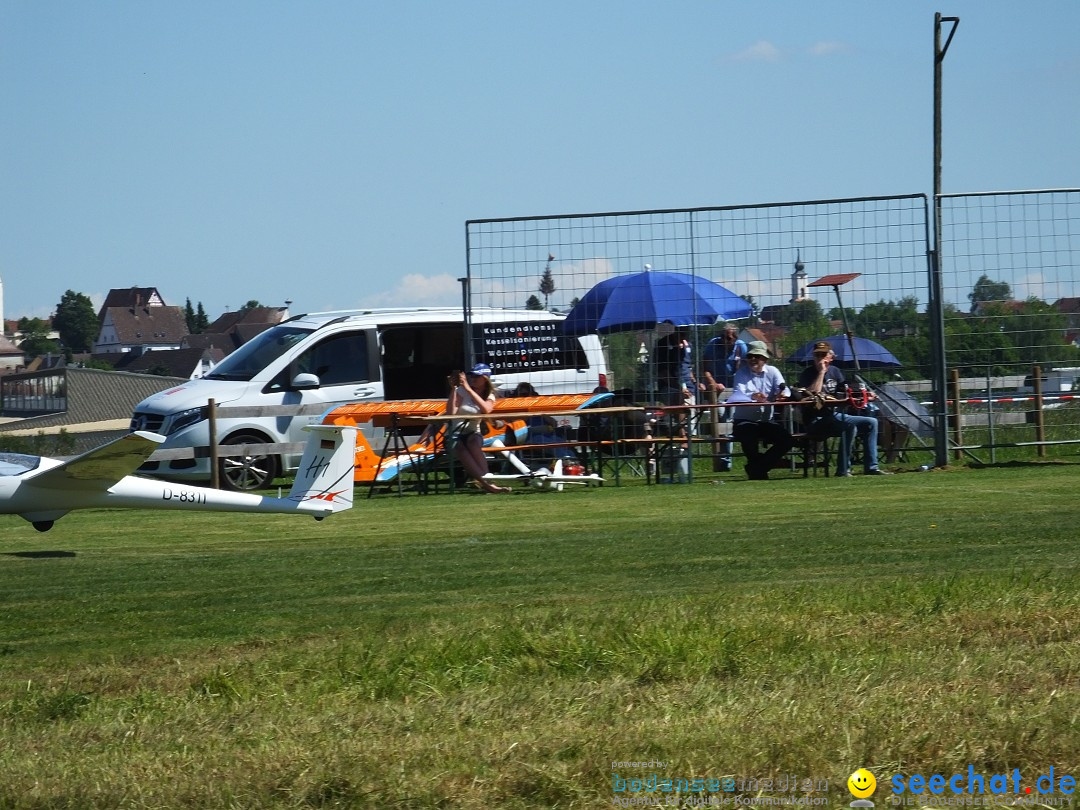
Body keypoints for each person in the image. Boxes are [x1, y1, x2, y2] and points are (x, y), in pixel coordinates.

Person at [795, 342, 893, 477]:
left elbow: (846, 390)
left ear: (831, 358)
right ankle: (843, 470)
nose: (819, 358)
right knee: (849, 427)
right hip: (815, 420)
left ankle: (871, 467)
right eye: (817, 355)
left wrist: (863, 395)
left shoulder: (835, 371)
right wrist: (822, 372)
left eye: (823, 355)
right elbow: (813, 392)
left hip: (833, 415)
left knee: (871, 422)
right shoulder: (807, 374)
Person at [730, 341, 793, 480]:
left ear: (764, 359)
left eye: (757, 356)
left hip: (765, 421)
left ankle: (757, 468)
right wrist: (752, 396)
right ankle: (758, 469)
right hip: (744, 421)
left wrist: (783, 395)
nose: (752, 359)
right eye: (750, 356)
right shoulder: (740, 373)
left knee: (787, 440)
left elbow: (784, 388)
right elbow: (737, 394)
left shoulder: (773, 372)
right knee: (748, 435)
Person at [444, 363, 511, 493]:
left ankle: (487, 482)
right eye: (471, 376)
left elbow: (486, 409)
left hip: (472, 433)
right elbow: (451, 413)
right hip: (453, 434)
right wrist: (453, 389)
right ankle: (488, 485)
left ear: (485, 378)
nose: (473, 379)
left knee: (473, 442)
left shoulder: (488, 394)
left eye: (476, 376)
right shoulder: (461, 391)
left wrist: (469, 389)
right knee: (460, 447)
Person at [703, 325, 747, 389]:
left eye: (728, 338)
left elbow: (745, 368)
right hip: (715, 383)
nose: (724, 341)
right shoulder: (713, 344)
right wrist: (713, 383)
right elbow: (704, 366)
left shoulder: (741, 347)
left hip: (735, 384)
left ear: (736, 338)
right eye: (722, 337)